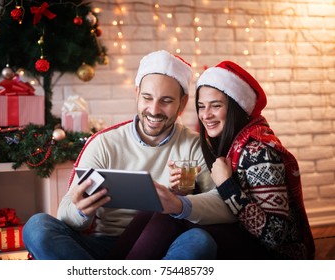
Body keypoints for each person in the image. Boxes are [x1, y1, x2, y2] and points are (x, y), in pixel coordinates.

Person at [22, 50, 236, 260]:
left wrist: (179, 205)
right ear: (136, 93)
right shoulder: (104, 143)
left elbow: (224, 206)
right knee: (37, 226)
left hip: (165, 244)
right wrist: (80, 211)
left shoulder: (194, 145)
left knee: (199, 240)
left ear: (183, 103)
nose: (154, 109)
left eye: (166, 101)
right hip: (104, 246)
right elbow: (65, 213)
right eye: (147, 98)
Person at [121, 60, 315, 260]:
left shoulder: (258, 152)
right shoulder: (227, 145)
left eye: (216, 106)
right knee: (155, 208)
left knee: (171, 213)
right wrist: (187, 189)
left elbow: (276, 236)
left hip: (272, 254)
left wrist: (227, 186)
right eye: (201, 106)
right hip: (240, 238)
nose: (206, 115)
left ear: (235, 107)